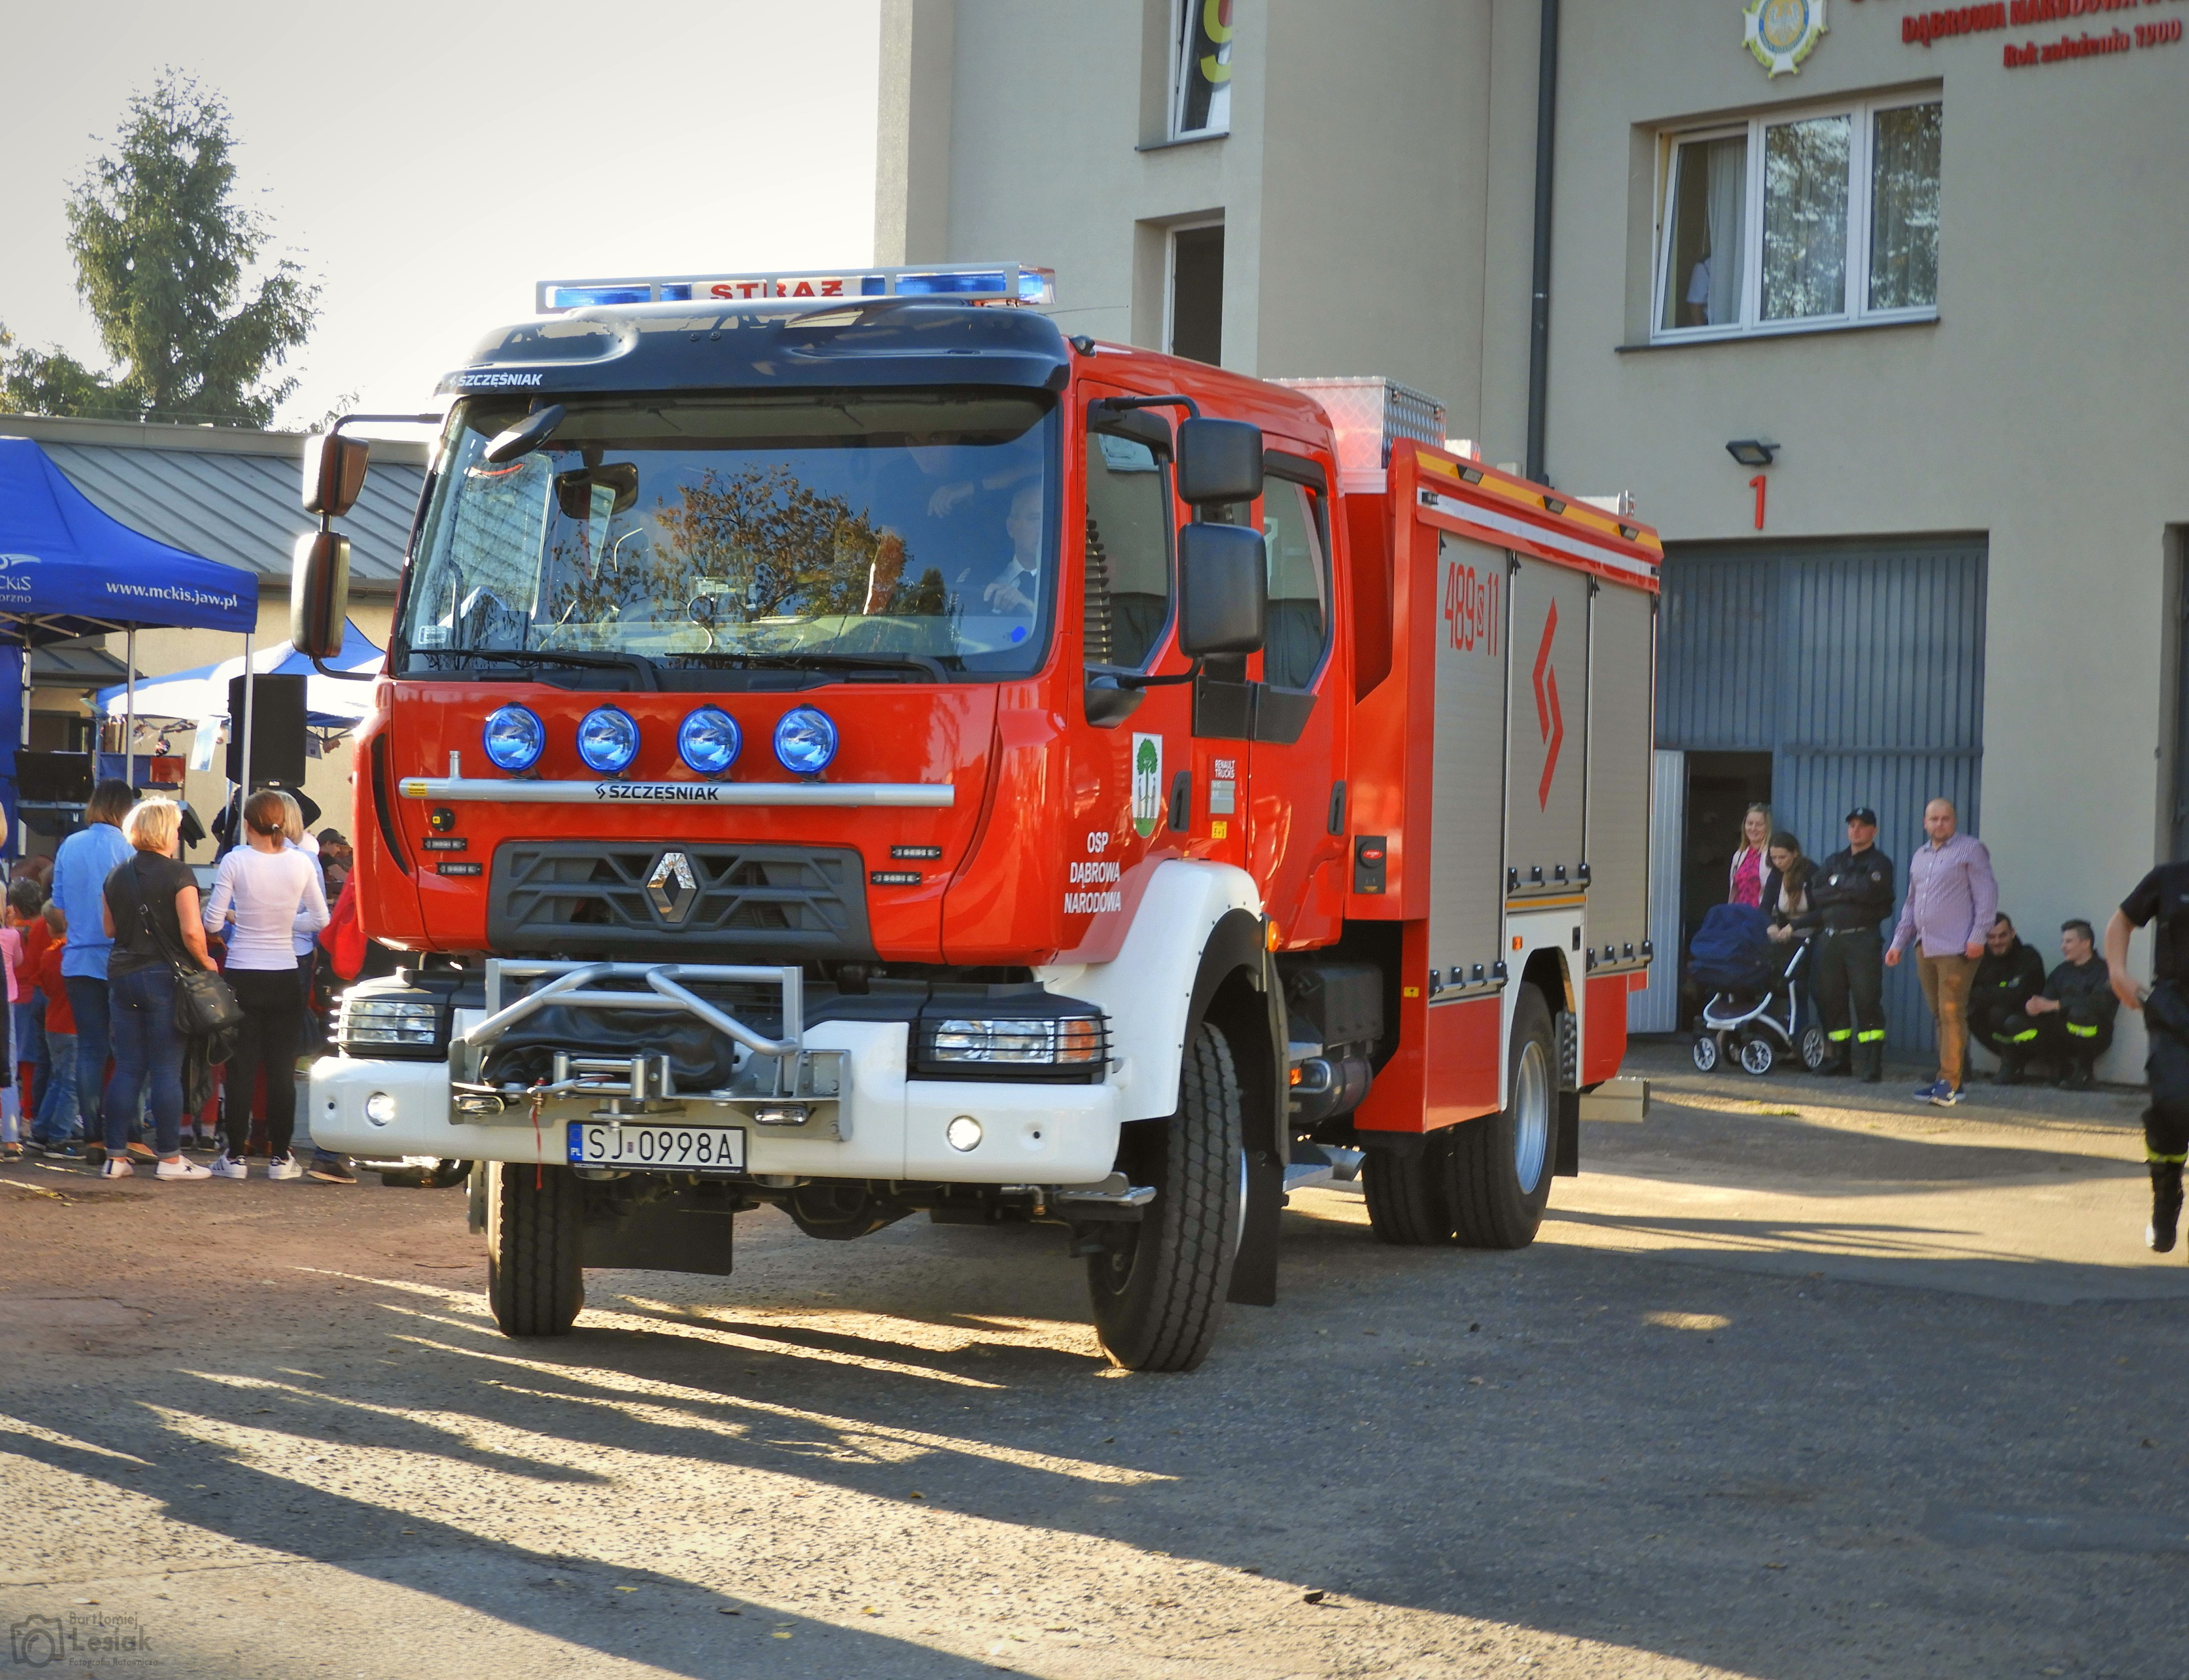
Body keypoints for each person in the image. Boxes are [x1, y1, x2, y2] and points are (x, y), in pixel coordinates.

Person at [201, 790, 329, 1182]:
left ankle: (235, 1156)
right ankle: (281, 1157)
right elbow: (320, 918)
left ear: (248, 824)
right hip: (285, 972)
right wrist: (284, 921)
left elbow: (211, 922)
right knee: (280, 1069)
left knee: (240, 1068)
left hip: (242, 971)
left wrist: (243, 920)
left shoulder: (235, 861)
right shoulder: (302, 863)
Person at [97, 799, 216, 1180]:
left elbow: (109, 930)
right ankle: (169, 1159)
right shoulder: (179, 874)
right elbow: (193, 930)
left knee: (128, 1066)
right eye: (178, 828)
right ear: (166, 831)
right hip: (164, 976)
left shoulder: (116, 874)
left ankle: (115, 1157)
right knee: (167, 1068)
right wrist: (205, 962)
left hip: (122, 973)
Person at [1887, 797, 1999, 1107]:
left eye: (1945, 819)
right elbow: (1911, 903)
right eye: (1934, 819)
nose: (1939, 824)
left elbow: (1987, 897)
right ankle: (1952, 1080)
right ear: (1925, 823)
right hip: (1926, 945)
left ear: (1954, 821)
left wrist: (1978, 936)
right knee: (1941, 1014)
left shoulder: (1971, 850)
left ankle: (1948, 1083)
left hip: (1958, 947)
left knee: (1951, 1013)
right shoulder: (1920, 856)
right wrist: (1898, 943)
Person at [51, 780, 136, 1164]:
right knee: (130, 1051)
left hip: (79, 959)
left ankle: (93, 1137)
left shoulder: (71, 845)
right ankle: (130, 1133)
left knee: (90, 1050)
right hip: (120, 960)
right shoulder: (129, 849)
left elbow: (60, 908)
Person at [2106, 866, 2189, 1253]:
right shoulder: (2171, 879)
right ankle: (2166, 1192)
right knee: (2173, 1103)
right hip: (2174, 1007)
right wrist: (2118, 973)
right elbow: (2121, 923)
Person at [1799, 806, 1897, 1081]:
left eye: (1863, 825)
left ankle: (1871, 1062)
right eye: (1852, 825)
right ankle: (1840, 1059)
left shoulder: (1880, 864)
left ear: (1874, 831)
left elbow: (1869, 892)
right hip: (1831, 939)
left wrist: (1838, 885)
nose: (1856, 830)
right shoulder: (1835, 860)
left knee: (1867, 1000)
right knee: (1830, 999)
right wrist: (1847, 887)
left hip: (1862, 939)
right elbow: (1818, 892)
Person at [1991, 920, 2118, 1090]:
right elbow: (2046, 1000)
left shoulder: (2104, 971)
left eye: (2069, 941)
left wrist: (2057, 1005)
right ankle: (2058, 1068)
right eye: (2063, 941)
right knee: (2015, 1022)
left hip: (2095, 1035)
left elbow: (2101, 1003)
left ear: (2086, 943)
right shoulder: (2061, 971)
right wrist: (2035, 1006)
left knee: (2080, 1015)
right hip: (2061, 1033)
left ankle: (2085, 1073)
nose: (2063, 946)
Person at [1971, 914, 2047, 1082]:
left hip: (2032, 1027)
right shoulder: (1981, 961)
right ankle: (1957, 1068)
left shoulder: (2028, 956)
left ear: (2013, 933)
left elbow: (2020, 995)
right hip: (2000, 1024)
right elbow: (1971, 993)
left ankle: (2015, 1065)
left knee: (1999, 1013)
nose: (1997, 941)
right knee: (1968, 1011)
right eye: (1991, 937)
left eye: (2003, 935)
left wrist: (1989, 993)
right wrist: (2003, 992)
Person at [30, 903, 79, 1157]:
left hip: (54, 1023)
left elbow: (46, 990)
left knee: (56, 1080)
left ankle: (41, 1132)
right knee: (71, 1085)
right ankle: (59, 1138)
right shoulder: (75, 954)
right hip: (72, 1025)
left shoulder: (49, 955)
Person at [1727, 804, 1778, 910]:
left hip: (1762, 915)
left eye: (1759, 824)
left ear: (1767, 827)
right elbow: (1734, 889)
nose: (1753, 828)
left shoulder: (1773, 854)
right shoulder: (1739, 855)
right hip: (1738, 913)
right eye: (1750, 824)